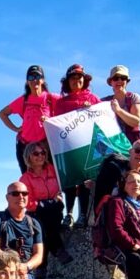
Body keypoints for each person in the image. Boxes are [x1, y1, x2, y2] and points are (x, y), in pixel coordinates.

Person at [52, 64, 101, 229]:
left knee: (85, 181)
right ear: (67, 81)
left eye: (79, 77)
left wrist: (91, 110)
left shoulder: (93, 99)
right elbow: (56, 126)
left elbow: (102, 119)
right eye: (72, 78)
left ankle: (83, 215)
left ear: (84, 80)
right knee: (71, 180)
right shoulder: (61, 103)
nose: (76, 80)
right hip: (69, 147)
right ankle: (69, 214)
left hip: (88, 146)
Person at [0, 65, 60, 174]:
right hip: (25, 147)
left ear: (42, 80)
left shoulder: (51, 98)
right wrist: (16, 129)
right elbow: (2, 114)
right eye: (31, 77)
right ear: (27, 81)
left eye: (37, 76)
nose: (34, 80)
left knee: (52, 177)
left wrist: (50, 120)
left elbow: (69, 107)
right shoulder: (23, 100)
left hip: (46, 147)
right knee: (28, 180)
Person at [18, 140, 70, 265]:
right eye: (36, 153)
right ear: (28, 157)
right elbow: (28, 203)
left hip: (55, 208)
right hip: (38, 212)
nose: (40, 156)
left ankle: (42, 266)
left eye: (43, 153)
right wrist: (46, 203)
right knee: (43, 226)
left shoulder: (53, 169)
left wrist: (55, 199)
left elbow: (62, 187)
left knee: (43, 226)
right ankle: (58, 249)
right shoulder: (25, 178)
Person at [91, 138, 140, 218]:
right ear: (130, 151)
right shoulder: (113, 168)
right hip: (110, 214)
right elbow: (102, 194)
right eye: (137, 150)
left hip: (132, 218)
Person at [102, 65, 140, 144]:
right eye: (116, 78)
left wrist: (118, 110)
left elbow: (136, 122)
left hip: (132, 146)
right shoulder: (103, 102)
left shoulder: (133, 98)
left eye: (123, 78)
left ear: (127, 81)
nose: (119, 81)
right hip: (112, 146)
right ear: (111, 82)